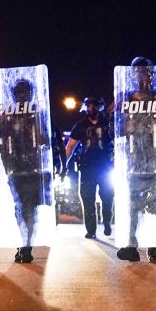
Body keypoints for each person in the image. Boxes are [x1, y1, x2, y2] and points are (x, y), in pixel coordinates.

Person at [114, 57, 156, 263]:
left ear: (151, 75)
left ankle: (154, 246)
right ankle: (131, 245)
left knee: (155, 205)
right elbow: (116, 131)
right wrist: (116, 116)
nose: (141, 76)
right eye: (137, 72)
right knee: (132, 204)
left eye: (145, 72)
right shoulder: (127, 99)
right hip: (133, 161)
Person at [0, 79, 49, 263]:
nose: (22, 95)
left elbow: (46, 140)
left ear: (30, 94)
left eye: (25, 92)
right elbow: (1, 143)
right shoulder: (8, 116)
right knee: (20, 206)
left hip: (33, 165)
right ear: (14, 95)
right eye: (19, 92)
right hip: (15, 166)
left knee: (29, 207)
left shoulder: (37, 114)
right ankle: (23, 242)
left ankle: (27, 245)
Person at [66, 96, 114, 239]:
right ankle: (91, 229)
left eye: (95, 105)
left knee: (108, 197)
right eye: (89, 106)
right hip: (86, 167)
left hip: (105, 166)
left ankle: (106, 222)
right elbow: (70, 147)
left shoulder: (108, 124)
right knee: (87, 198)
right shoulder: (81, 125)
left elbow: (119, 141)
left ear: (100, 107)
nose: (92, 108)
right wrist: (62, 164)